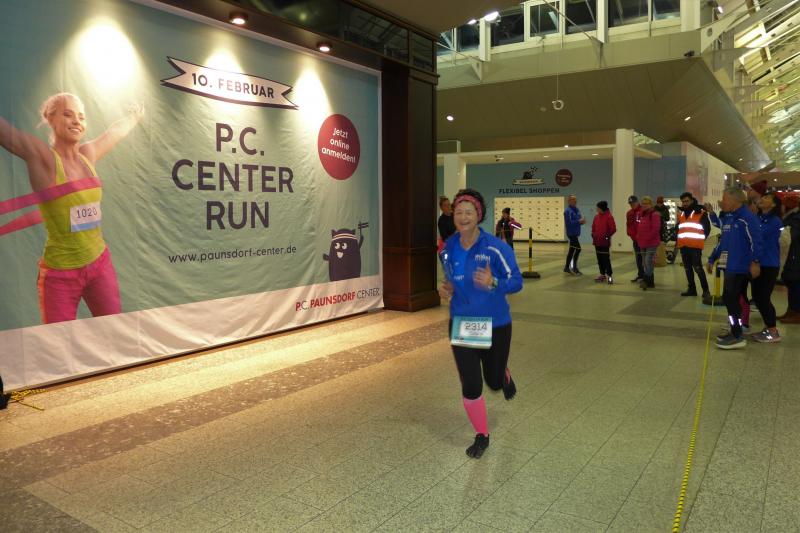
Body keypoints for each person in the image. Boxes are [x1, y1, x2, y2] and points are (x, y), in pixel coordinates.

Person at [0, 93, 144, 324]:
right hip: (60, 276)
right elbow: (8, 134)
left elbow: (114, 133)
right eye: (68, 114)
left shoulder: (88, 155)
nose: (77, 121)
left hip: (99, 265)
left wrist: (134, 117)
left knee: (113, 332)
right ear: (51, 119)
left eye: (81, 117)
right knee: (58, 342)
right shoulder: (44, 159)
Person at [438, 188, 523, 459]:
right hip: (462, 322)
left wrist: (493, 282)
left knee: (494, 382)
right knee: (471, 384)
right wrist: (448, 288)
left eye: (469, 212)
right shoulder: (448, 248)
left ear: (479, 215)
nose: (463, 217)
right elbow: (452, 278)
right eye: (458, 212)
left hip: (495, 324)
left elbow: (516, 282)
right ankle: (482, 434)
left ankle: (503, 374)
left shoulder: (495, 247)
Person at [707, 187, 763, 350]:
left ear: (735, 200)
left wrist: (755, 262)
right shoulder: (729, 218)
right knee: (729, 299)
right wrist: (712, 258)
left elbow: (756, 241)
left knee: (731, 298)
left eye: (724, 199)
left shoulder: (747, 218)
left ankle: (738, 335)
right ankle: (735, 330)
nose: (722, 202)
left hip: (740, 266)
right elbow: (722, 242)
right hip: (729, 265)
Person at [750, 193, 783, 342]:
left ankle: (773, 332)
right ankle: (768, 327)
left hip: (768, 264)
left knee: (763, 298)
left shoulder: (775, 221)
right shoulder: (758, 218)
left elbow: (758, 236)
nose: (762, 199)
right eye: (762, 197)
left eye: (767, 198)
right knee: (758, 297)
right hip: (757, 264)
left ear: (774, 204)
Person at [676, 192, 711, 298]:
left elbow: (707, 229)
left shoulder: (700, 213)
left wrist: (700, 240)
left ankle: (706, 291)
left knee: (698, 268)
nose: (685, 203)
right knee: (687, 269)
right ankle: (692, 289)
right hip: (683, 246)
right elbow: (680, 228)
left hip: (695, 247)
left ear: (691, 200)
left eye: (687, 201)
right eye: (683, 202)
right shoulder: (682, 214)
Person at [779, 193, 800, 323]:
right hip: (791, 255)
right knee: (791, 284)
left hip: (795, 256)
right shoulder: (791, 217)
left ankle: (797, 313)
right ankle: (791, 310)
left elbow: (791, 236)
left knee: (795, 285)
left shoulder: (796, 218)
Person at [636, 196, 662, 290]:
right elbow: (639, 227)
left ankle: (647, 280)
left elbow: (656, 229)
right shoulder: (641, 215)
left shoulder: (654, 215)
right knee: (645, 262)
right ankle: (650, 281)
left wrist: (647, 238)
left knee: (648, 261)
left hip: (652, 242)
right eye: (643, 204)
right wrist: (638, 236)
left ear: (651, 204)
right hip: (642, 242)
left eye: (646, 204)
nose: (644, 205)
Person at [591, 200, 616, 284]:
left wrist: (606, 237)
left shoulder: (609, 217)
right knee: (599, 259)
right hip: (597, 242)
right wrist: (593, 234)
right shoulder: (596, 217)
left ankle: (609, 276)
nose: (597, 209)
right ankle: (602, 274)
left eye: (598, 208)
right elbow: (593, 227)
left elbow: (613, 229)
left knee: (606, 259)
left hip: (604, 243)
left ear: (602, 208)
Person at [563, 194, 585, 274]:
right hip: (571, 233)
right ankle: (574, 267)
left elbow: (578, 220)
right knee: (578, 249)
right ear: (569, 201)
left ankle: (566, 267)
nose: (575, 201)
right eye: (573, 200)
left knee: (572, 250)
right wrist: (579, 221)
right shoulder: (567, 211)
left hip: (576, 233)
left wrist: (582, 222)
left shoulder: (577, 209)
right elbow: (569, 223)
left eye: (575, 200)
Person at [626, 195, 645, 282]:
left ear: (637, 202)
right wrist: (631, 235)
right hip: (635, 240)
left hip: (644, 240)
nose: (632, 205)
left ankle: (647, 277)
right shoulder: (629, 213)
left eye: (633, 203)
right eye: (630, 203)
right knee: (638, 258)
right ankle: (640, 275)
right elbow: (628, 226)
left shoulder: (643, 211)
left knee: (646, 259)